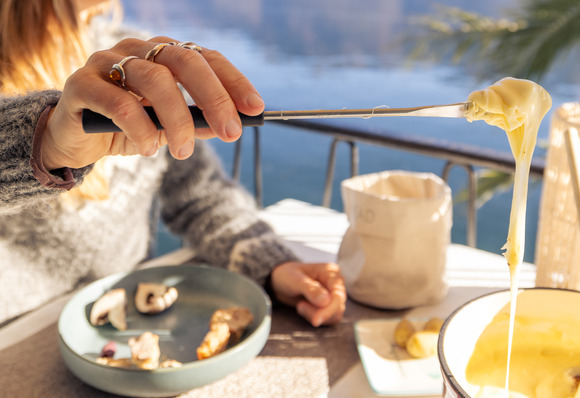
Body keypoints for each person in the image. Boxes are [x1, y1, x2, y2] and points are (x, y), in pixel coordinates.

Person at [0, 0, 347, 328]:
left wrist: (270, 263)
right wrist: (42, 140)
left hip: (134, 316)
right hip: (16, 338)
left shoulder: (130, 65)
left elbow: (200, 197)